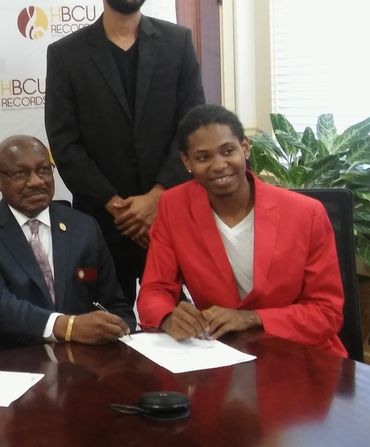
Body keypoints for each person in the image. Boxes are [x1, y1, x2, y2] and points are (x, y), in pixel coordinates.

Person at [44, 0, 205, 304]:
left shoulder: (177, 42)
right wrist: (117, 205)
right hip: (101, 221)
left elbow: (192, 127)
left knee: (175, 320)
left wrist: (157, 197)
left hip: (168, 215)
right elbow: (65, 142)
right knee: (105, 326)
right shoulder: (67, 54)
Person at [136, 105, 346, 356]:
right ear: (186, 162)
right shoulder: (174, 207)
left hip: (300, 354)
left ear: (245, 148)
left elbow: (326, 312)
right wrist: (168, 317)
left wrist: (252, 318)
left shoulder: (306, 213)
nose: (219, 165)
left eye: (228, 151)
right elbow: (155, 289)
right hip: (221, 354)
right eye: (203, 157)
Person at [0, 135, 136, 354]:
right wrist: (67, 327)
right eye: (21, 173)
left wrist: (116, 328)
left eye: (44, 170)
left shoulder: (85, 227)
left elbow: (115, 305)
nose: (37, 182)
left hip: (85, 359)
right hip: (11, 359)